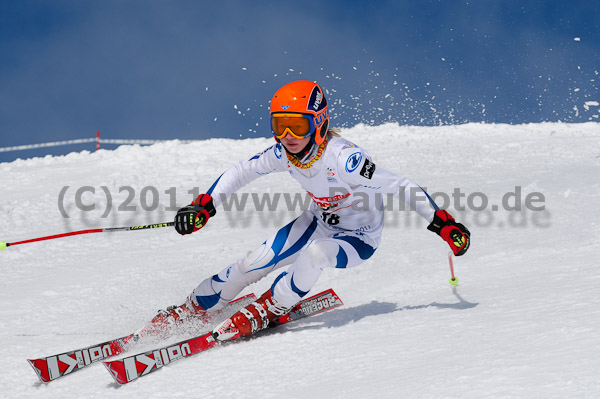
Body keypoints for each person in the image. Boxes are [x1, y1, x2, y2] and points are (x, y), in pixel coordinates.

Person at [136, 80, 470, 341]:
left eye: (297, 125)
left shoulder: (345, 160)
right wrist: (205, 204)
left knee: (315, 256)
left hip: (358, 238)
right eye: (279, 125)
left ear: (320, 122)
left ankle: (271, 307)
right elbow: (242, 171)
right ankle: (191, 308)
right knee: (250, 264)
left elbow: (401, 186)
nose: (288, 136)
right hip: (317, 222)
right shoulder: (284, 153)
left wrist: (443, 224)